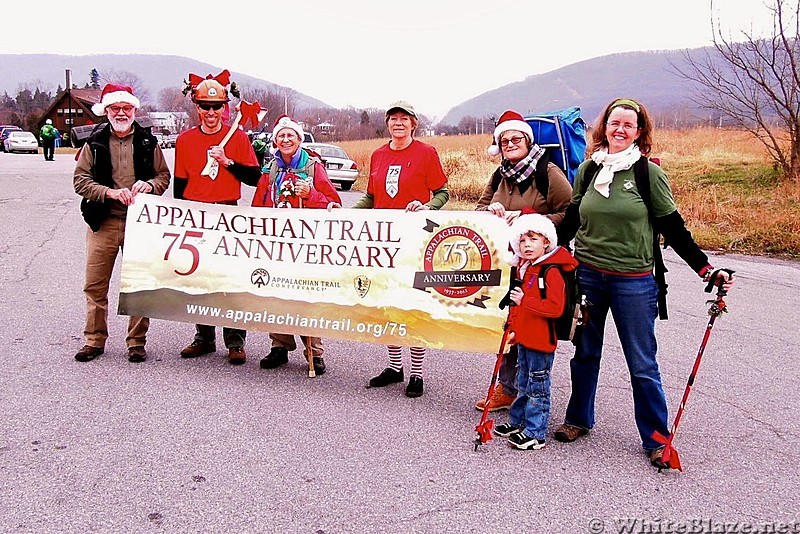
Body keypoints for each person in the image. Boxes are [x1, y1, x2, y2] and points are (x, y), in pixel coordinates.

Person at [552, 98, 734, 468]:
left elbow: (674, 228)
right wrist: (538, 252)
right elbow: (570, 223)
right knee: (585, 353)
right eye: (613, 123)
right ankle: (578, 420)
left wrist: (705, 268)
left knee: (641, 362)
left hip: (633, 281)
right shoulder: (587, 170)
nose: (619, 130)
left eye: (627, 125)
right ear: (603, 127)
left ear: (639, 132)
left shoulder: (648, 174)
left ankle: (655, 437)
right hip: (588, 276)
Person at [474, 109, 573, 413]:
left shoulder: (548, 172)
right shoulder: (500, 175)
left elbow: (571, 212)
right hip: (508, 262)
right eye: (504, 141)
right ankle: (507, 389)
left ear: (527, 140)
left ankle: (532, 395)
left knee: (533, 324)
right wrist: (491, 212)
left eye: (516, 138)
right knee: (508, 323)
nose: (510, 144)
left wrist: (529, 220)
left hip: (540, 265)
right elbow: (479, 210)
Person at [352, 100, 449, 398]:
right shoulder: (378, 155)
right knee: (389, 304)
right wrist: (350, 213)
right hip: (383, 243)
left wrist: (426, 206)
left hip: (413, 241)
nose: (398, 123)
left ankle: (417, 372)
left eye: (403, 118)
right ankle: (395, 367)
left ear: (413, 123)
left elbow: (443, 193)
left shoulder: (426, 153)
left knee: (413, 305)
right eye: (393, 118)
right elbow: (371, 197)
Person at [72, 83, 171, 363]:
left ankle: (136, 342)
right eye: (116, 108)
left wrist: (149, 186)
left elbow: (164, 177)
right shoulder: (94, 142)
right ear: (106, 111)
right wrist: (109, 192)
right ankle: (94, 339)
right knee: (95, 285)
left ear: (134, 110)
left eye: (127, 108)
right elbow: (80, 181)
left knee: (139, 284)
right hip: (102, 222)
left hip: (139, 224)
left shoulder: (148, 142)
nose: (121, 113)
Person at [173, 72, 261, 365]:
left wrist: (227, 162)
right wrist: (179, 218)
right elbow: (180, 185)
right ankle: (204, 337)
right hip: (197, 214)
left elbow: (254, 177)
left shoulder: (236, 137)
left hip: (227, 212)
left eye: (217, 107)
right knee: (199, 278)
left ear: (225, 108)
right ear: (196, 107)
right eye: (205, 106)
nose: (211, 113)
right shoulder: (185, 140)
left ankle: (235, 341)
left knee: (229, 277)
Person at [254, 115, 341, 375]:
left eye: (291, 135)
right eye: (281, 136)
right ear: (275, 141)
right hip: (277, 242)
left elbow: (334, 203)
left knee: (307, 294)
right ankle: (279, 344)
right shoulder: (271, 170)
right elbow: (258, 204)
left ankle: (314, 351)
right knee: (276, 292)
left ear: (299, 139)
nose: (286, 139)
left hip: (306, 242)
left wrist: (310, 194)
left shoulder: (314, 167)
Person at [491, 214, 578, 450]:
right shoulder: (528, 268)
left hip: (541, 340)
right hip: (525, 338)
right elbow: (520, 307)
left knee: (538, 387)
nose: (527, 245)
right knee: (523, 382)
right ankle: (518, 422)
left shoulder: (551, 271)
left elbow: (554, 307)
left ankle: (536, 432)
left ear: (546, 242)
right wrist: (513, 328)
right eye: (522, 241)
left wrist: (524, 300)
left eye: (533, 239)